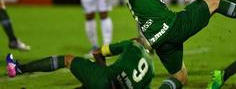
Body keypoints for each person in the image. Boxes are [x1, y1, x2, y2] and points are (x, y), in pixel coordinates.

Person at [6, 39, 154, 89]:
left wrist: (100, 72)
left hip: (104, 79)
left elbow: (97, 52)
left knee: (68, 59)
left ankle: (18, 69)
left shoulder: (133, 45)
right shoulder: (151, 70)